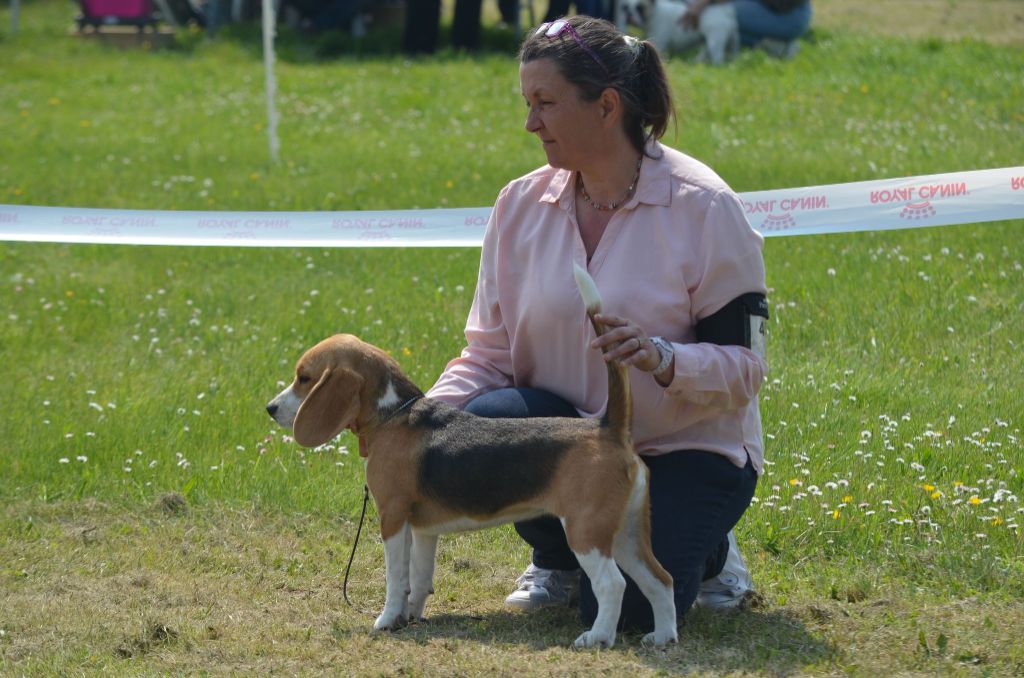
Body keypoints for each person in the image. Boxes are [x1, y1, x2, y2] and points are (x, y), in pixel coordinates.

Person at [427, 15, 767, 631]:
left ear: (607, 106)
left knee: (633, 613)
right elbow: (488, 356)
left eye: (546, 103)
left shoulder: (707, 207)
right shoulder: (518, 204)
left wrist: (664, 357)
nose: (530, 123)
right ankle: (560, 556)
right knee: (482, 421)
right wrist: (418, 421)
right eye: (527, 104)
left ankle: (713, 554)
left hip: (681, 451)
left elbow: (746, 371)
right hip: (570, 448)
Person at [683, 0, 812, 58]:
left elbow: (782, 4)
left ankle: (780, 48)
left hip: (788, 15)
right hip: (763, 6)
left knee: (715, 15)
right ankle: (775, 46)